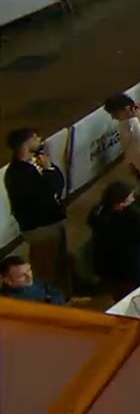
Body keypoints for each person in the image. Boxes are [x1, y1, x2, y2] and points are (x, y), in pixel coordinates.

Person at [5, 127, 68, 294]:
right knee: (46, 267)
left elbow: (57, 185)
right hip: (41, 228)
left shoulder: (29, 165)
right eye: (35, 138)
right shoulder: (19, 173)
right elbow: (48, 193)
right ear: (26, 143)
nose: (40, 140)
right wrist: (48, 171)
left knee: (55, 262)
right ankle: (47, 299)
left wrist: (49, 170)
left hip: (48, 223)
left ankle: (60, 294)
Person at [88, 182, 140, 297]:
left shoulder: (100, 212)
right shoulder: (122, 221)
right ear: (121, 203)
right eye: (131, 198)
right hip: (120, 271)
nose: (134, 200)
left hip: (109, 268)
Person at [0, 256, 66, 304]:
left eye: (29, 270)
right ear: (8, 281)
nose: (29, 277)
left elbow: (55, 291)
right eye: (21, 276)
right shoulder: (7, 301)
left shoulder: (33, 282)